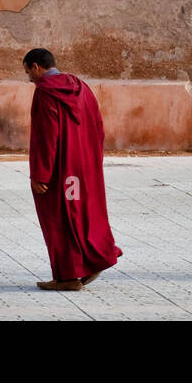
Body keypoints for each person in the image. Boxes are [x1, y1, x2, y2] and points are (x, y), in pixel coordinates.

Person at [23, 47, 122, 291]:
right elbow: (98, 126)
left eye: (28, 72)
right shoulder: (82, 87)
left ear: (36, 66)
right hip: (85, 166)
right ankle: (92, 259)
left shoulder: (45, 93)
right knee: (84, 213)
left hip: (59, 169)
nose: (29, 78)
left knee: (60, 219)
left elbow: (47, 136)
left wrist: (40, 174)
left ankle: (68, 276)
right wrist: (93, 161)